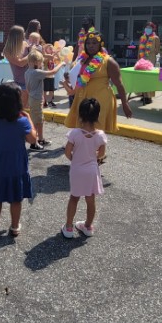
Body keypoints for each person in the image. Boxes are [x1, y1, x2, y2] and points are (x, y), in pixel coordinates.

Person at [0, 82, 36, 237]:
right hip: (16, 164)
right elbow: (33, 139)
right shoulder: (21, 121)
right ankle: (14, 226)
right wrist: (29, 118)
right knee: (16, 197)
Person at [65, 30, 133, 134]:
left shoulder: (109, 62)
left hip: (100, 100)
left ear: (101, 44)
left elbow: (119, 84)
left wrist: (124, 103)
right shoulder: (82, 59)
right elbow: (77, 77)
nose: (90, 46)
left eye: (94, 43)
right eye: (88, 43)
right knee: (82, 131)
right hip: (82, 98)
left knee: (95, 132)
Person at [63, 97, 106, 237]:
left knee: (74, 198)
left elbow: (67, 152)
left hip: (77, 170)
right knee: (90, 199)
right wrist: (93, 156)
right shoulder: (100, 135)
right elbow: (101, 154)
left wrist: (74, 159)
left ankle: (69, 227)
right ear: (97, 115)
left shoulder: (75, 134)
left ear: (80, 115)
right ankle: (88, 226)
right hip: (92, 170)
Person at [24, 48, 57, 149]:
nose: (42, 64)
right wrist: (61, 64)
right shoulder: (36, 72)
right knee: (35, 121)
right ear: (36, 62)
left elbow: (27, 88)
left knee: (39, 120)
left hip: (34, 98)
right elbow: (53, 72)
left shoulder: (27, 72)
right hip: (36, 99)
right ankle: (34, 143)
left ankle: (40, 139)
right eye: (41, 62)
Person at [1, 24, 31, 106]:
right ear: (17, 36)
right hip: (21, 82)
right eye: (23, 33)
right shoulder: (8, 50)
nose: (24, 34)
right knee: (24, 108)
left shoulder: (25, 43)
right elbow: (20, 63)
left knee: (32, 108)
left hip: (31, 79)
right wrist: (31, 53)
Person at [136, 21, 161, 106]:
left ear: (153, 29)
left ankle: (149, 97)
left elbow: (158, 50)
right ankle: (143, 94)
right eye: (147, 28)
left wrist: (151, 51)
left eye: (150, 28)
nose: (148, 29)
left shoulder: (155, 38)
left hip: (151, 59)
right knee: (142, 77)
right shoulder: (142, 37)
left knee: (149, 78)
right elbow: (139, 49)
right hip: (142, 59)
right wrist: (138, 59)